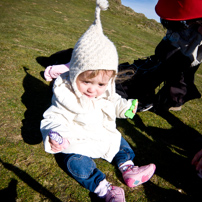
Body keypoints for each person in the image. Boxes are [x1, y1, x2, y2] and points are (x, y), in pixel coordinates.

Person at [40, 0, 156, 201]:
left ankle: (128, 168)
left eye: (100, 84)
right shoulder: (65, 93)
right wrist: (57, 134)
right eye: (86, 82)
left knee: (121, 142)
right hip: (78, 139)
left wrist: (126, 107)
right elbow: (54, 116)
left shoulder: (106, 89)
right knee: (73, 161)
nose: (93, 89)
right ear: (75, 73)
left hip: (103, 134)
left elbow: (114, 99)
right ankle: (104, 188)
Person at [116, 0, 202, 112]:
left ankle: (170, 101)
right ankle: (151, 94)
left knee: (180, 72)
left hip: (188, 48)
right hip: (179, 34)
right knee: (163, 61)